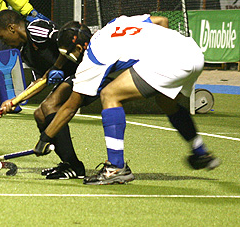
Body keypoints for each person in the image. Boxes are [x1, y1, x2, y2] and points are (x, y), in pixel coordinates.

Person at [33, 14, 221, 185]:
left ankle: (115, 167)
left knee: (110, 94)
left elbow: (69, 108)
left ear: (80, 47)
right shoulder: (115, 24)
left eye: (68, 54)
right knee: (166, 102)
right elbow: (162, 21)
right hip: (192, 52)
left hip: (170, 59)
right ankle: (200, 152)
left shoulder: (92, 57)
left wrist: (45, 138)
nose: (69, 59)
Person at [0, 9, 91, 179]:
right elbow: (41, 81)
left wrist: (57, 67)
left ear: (11, 28)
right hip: (67, 78)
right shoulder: (26, 52)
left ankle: (76, 168)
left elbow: (67, 41)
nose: (4, 42)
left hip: (83, 69)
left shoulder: (36, 29)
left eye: (2, 37)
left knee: (49, 105)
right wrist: (15, 101)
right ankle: (69, 164)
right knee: (40, 114)